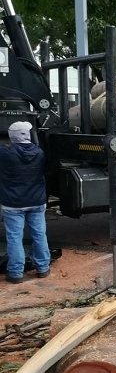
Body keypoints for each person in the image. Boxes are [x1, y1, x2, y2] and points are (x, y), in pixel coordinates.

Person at [0, 121, 51, 284]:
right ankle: (42, 268)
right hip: (36, 201)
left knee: (14, 237)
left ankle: (16, 273)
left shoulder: (5, 153)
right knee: (39, 234)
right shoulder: (40, 153)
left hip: (13, 203)